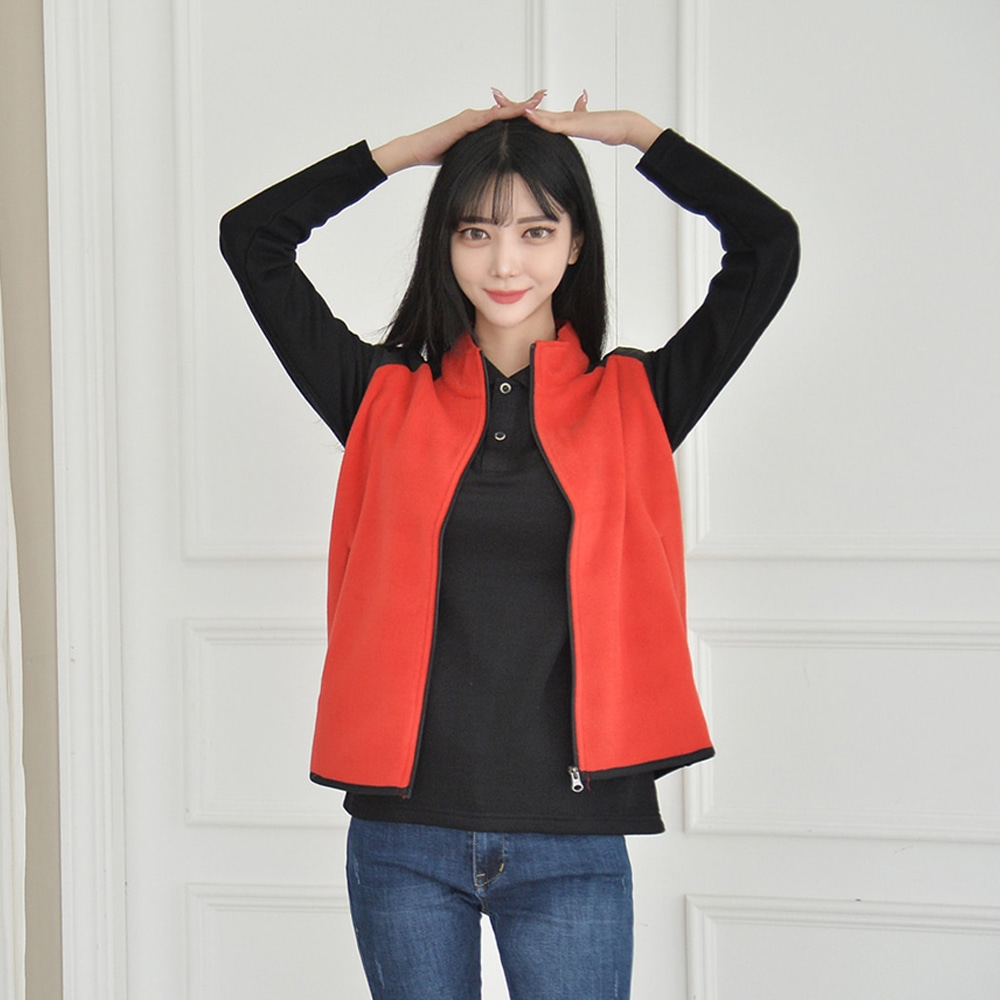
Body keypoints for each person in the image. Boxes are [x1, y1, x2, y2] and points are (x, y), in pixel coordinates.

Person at [220, 89, 799, 1000]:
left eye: (535, 231)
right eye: (475, 231)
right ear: (444, 245)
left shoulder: (635, 403)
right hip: (404, 838)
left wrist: (636, 136)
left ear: (575, 245)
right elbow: (252, 238)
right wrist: (414, 149)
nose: (504, 261)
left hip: (572, 838)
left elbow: (769, 244)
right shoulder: (380, 399)